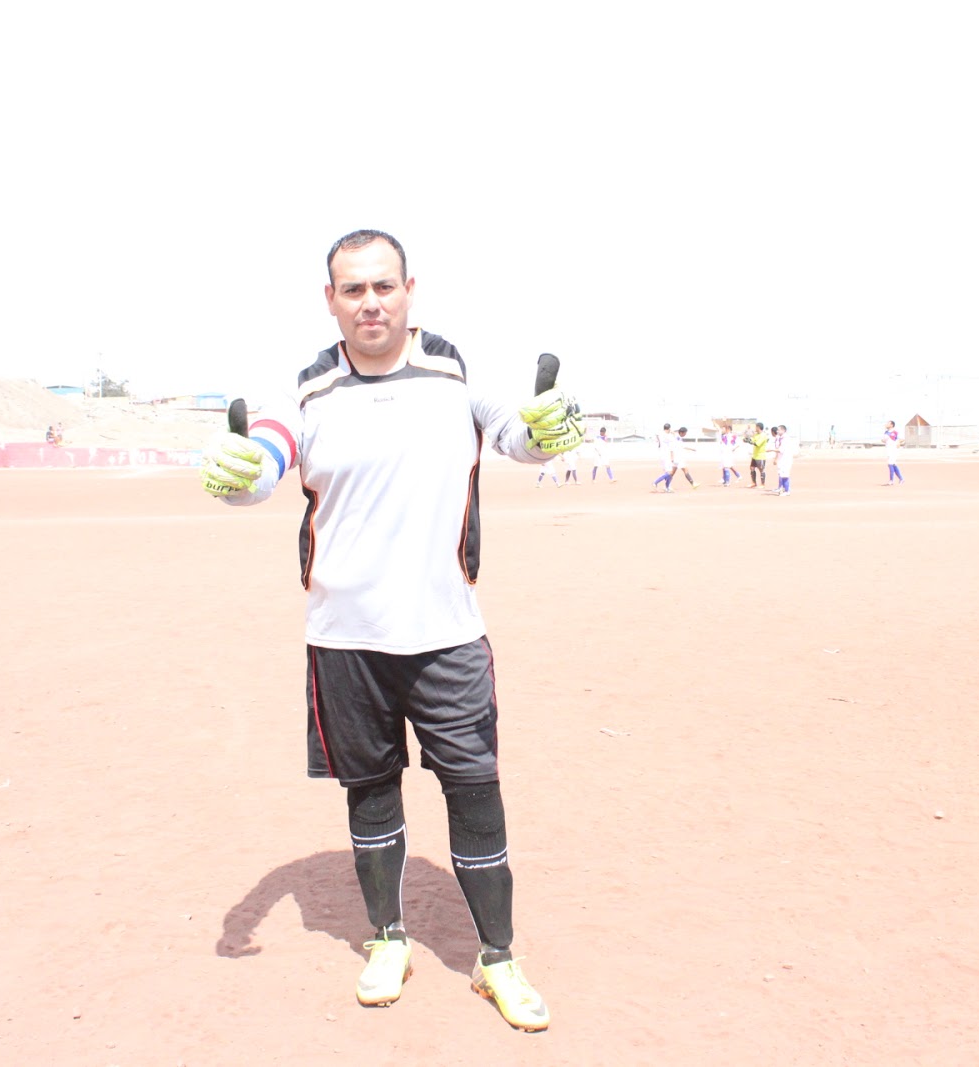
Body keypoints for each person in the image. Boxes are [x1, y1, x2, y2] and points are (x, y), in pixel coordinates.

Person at [199, 229, 576, 1031]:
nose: (370, 302)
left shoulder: (454, 371)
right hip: (344, 640)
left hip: (447, 635)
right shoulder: (307, 390)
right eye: (353, 289)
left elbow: (518, 434)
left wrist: (545, 434)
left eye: (383, 286)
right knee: (370, 793)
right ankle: (388, 938)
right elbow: (263, 461)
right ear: (330, 300)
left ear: (410, 290)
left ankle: (497, 957)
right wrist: (237, 476)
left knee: (476, 793)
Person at [774, 424, 798, 495]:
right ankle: (782, 488)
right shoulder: (780, 438)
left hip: (786, 459)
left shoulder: (785, 439)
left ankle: (787, 491)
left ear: (783, 430)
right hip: (782, 458)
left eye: (779, 430)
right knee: (781, 474)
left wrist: (770, 450)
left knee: (785, 474)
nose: (777, 431)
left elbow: (781, 450)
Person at [651, 422, 676, 492]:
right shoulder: (669, 436)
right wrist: (673, 434)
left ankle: (667, 488)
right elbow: (673, 445)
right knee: (670, 473)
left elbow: (656, 436)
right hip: (667, 456)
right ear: (669, 428)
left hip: (661, 456)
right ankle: (655, 482)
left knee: (668, 473)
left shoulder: (660, 434)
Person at [746, 422, 770, 488]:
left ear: (758, 427)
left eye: (756, 427)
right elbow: (752, 440)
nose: (755, 428)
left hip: (761, 456)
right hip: (755, 455)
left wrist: (749, 442)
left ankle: (762, 484)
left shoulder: (763, 435)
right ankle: (754, 483)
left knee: (761, 469)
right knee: (752, 468)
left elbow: (757, 444)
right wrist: (747, 439)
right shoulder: (756, 434)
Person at [883, 420, 903, 484]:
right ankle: (901, 479)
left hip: (894, 450)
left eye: (888, 423)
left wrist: (898, 443)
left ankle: (891, 480)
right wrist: (883, 440)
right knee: (893, 464)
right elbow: (884, 440)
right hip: (888, 450)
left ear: (891, 425)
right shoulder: (886, 432)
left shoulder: (895, 432)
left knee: (890, 464)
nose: (886, 424)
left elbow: (901, 439)